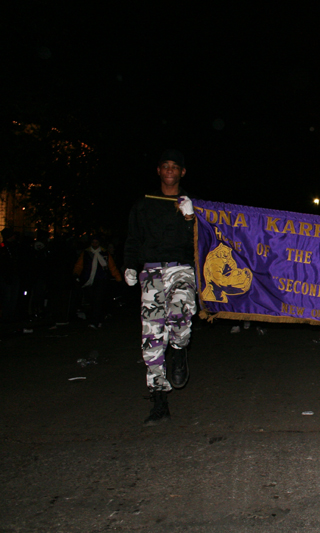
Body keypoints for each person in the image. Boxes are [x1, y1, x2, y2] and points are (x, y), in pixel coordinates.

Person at [124, 149, 197, 426]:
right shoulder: (143, 205)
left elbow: (206, 242)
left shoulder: (190, 204)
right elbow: (132, 238)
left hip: (181, 268)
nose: (169, 170)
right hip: (152, 271)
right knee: (151, 337)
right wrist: (130, 265)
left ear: (182, 172)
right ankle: (159, 401)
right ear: (158, 171)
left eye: (174, 166)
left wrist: (192, 219)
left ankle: (179, 351)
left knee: (180, 315)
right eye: (164, 166)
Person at [73, 235, 122, 328]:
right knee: (91, 300)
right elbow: (80, 265)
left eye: (96, 242)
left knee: (98, 300)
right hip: (89, 280)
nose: (94, 244)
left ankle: (95, 321)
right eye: (93, 242)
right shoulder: (86, 253)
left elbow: (112, 266)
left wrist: (118, 278)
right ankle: (96, 318)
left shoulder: (104, 253)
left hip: (101, 280)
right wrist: (76, 273)